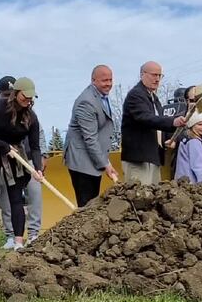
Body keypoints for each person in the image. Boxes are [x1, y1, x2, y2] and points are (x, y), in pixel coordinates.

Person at [0, 77, 43, 251]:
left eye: (30, 98)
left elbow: (35, 147)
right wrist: (3, 146)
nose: (27, 101)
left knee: (16, 198)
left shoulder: (31, 117)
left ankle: (18, 242)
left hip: (15, 155)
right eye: (24, 97)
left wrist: (38, 168)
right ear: (15, 93)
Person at [121, 61, 186, 185]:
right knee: (139, 197)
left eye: (159, 75)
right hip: (138, 159)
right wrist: (173, 121)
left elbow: (158, 125)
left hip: (152, 157)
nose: (157, 79)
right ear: (142, 75)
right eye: (154, 75)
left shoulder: (154, 98)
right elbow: (146, 118)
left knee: (153, 197)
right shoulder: (136, 95)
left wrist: (170, 138)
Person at [64, 65, 119, 207]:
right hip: (81, 161)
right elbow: (90, 138)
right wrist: (106, 164)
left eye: (110, 80)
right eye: (104, 80)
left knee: (94, 203)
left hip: (92, 159)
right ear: (93, 80)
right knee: (87, 206)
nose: (108, 84)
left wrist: (106, 161)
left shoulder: (102, 97)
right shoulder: (86, 102)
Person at [174, 111, 202, 184]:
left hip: (182, 180)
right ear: (192, 125)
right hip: (191, 182)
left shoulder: (185, 139)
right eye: (200, 124)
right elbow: (197, 165)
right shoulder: (194, 142)